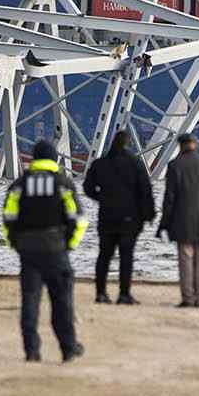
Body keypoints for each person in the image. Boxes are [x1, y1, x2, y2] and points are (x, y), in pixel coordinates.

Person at [1, 140, 86, 363]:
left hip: (28, 250)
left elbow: (9, 217)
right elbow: (78, 218)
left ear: (34, 158)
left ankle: (31, 351)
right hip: (56, 248)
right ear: (54, 159)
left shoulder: (20, 184)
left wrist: (15, 243)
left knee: (30, 301)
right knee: (61, 301)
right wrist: (69, 244)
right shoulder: (63, 184)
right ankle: (68, 348)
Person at [83, 130, 156, 305]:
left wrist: (101, 198)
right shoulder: (135, 163)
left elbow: (87, 188)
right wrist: (149, 214)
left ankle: (100, 293)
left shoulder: (100, 164)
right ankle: (124, 294)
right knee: (126, 256)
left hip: (106, 216)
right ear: (127, 144)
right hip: (129, 218)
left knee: (104, 256)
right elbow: (146, 191)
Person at [159, 132, 199, 308]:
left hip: (181, 221)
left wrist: (164, 223)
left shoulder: (175, 165)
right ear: (195, 144)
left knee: (185, 260)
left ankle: (188, 298)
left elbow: (169, 198)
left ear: (180, 145)